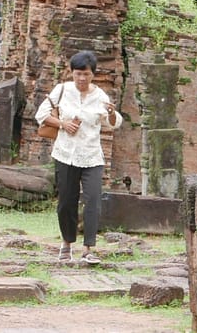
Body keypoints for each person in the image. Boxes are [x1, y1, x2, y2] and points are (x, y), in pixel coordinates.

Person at [36, 50, 123, 264]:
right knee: (66, 201)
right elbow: (41, 115)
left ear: (93, 74)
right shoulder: (62, 90)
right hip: (65, 153)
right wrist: (62, 124)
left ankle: (88, 249)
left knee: (93, 200)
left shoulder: (100, 96)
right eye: (77, 74)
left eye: (85, 74)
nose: (81, 79)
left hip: (91, 155)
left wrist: (111, 113)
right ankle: (67, 243)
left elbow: (114, 122)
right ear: (71, 73)